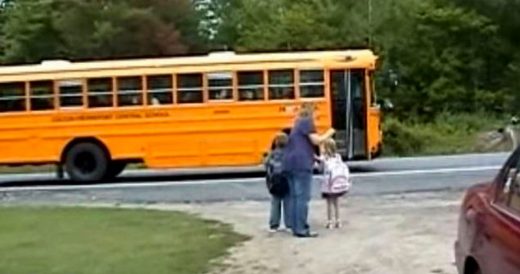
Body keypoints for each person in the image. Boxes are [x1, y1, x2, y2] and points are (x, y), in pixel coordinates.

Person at [283, 102, 335, 238]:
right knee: (302, 197)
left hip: (289, 163)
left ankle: (294, 226)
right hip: (301, 164)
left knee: (294, 196)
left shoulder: (297, 124)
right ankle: (301, 229)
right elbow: (316, 141)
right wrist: (329, 133)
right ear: (311, 112)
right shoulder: (307, 122)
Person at [316, 138, 352, 229]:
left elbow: (320, 168)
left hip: (328, 183)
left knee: (329, 203)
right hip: (337, 183)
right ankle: (338, 221)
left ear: (326, 148)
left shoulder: (324, 158)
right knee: (336, 203)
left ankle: (329, 222)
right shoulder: (338, 157)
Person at [264, 132, 291, 232]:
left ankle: (274, 224)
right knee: (288, 203)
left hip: (275, 182)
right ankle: (289, 224)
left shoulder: (271, 154)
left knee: (275, 203)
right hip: (286, 181)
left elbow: (266, 165)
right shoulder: (289, 154)